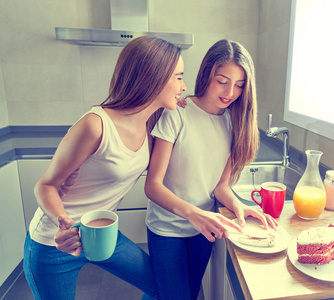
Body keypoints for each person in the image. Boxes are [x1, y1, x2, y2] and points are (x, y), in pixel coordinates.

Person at [23, 36, 187, 300]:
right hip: (57, 242)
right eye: (178, 77)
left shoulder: (150, 120)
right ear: (152, 76)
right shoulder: (95, 125)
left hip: (102, 233)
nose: (184, 86)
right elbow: (45, 185)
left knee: (163, 289)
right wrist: (63, 224)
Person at [144, 39, 278, 299]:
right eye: (222, 80)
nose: (230, 92)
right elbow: (153, 186)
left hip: (203, 229)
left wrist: (239, 206)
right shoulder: (178, 113)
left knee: (187, 294)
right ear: (207, 74)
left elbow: (220, 187)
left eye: (239, 85)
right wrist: (193, 213)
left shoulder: (233, 123)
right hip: (166, 228)